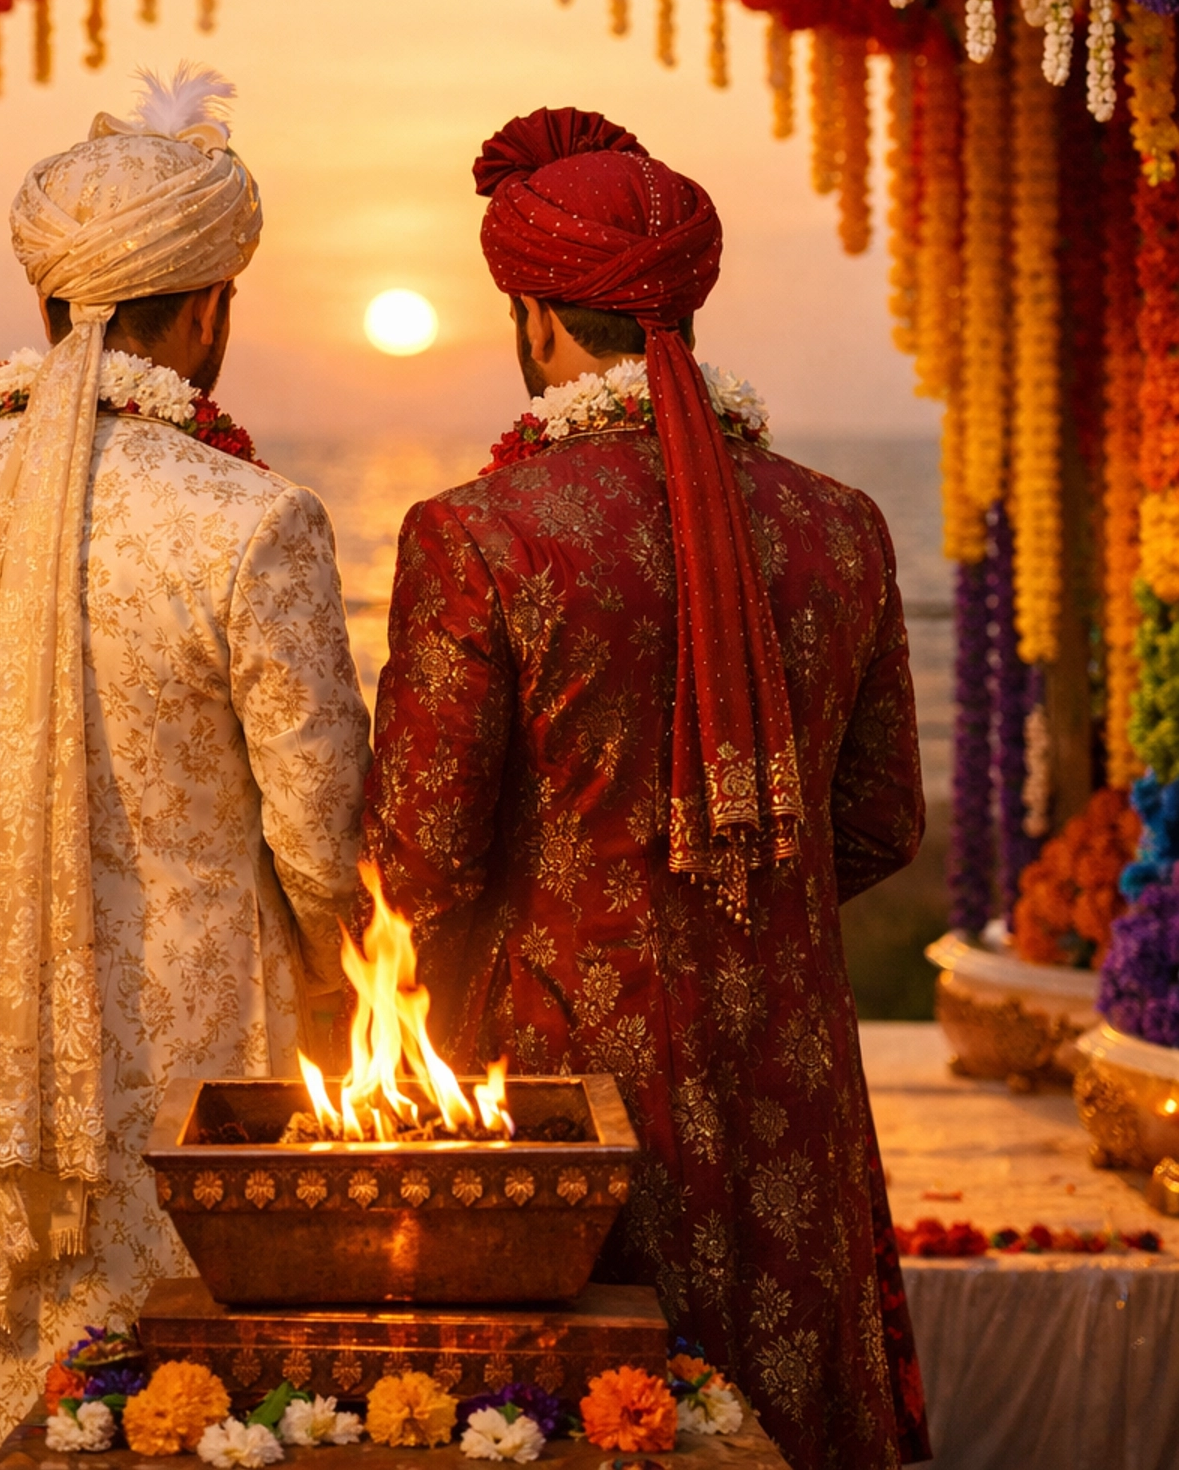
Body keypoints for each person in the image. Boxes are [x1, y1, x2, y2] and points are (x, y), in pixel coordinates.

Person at [363, 106, 930, 1470]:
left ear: (537, 318)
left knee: (582, 1414)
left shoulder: (479, 536)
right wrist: (744, 900)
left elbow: (419, 855)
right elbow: (879, 820)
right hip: (786, 1067)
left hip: (565, 1072)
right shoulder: (839, 523)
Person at [0, 65, 370, 1470]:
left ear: (53, 304)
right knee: (193, 1406)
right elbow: (324, 838)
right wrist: (325, 981)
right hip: (202, 1049)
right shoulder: (254, 524)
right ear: (206, 313)